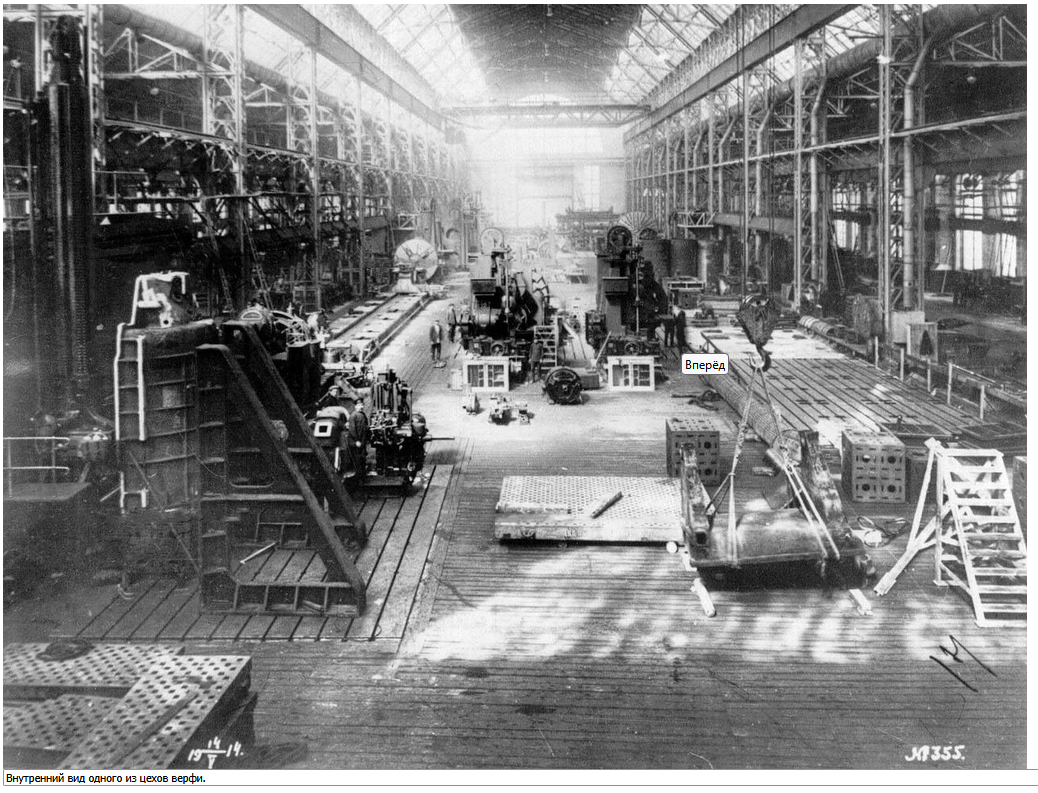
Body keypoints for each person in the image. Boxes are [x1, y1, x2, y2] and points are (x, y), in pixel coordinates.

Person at [343, 397, 369, 482]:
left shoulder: (363, 414)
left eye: (362, 405)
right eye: (359, 405)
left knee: (362, 459)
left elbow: (365, 427)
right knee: (357, 461)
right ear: (355, 406)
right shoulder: (353, 415)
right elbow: (352, 430)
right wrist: (356, 441)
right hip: (356, 442)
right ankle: (359, 479)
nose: (361, 406)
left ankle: (363, 478)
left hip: (362, 441)